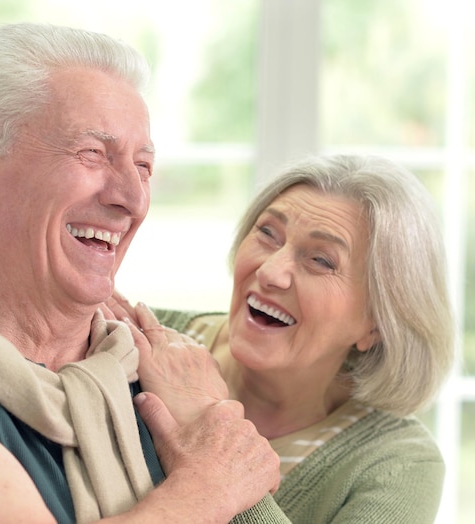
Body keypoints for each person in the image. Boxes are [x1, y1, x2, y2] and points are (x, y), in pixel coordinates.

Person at [0, 23, 288, 524]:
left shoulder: (161, 376)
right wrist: (210, 489)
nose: (130, 197)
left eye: (143, 166)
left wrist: (210, 421)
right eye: (92, 154)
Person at [112, 153, 455, 523]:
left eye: (321, 260)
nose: (271, 272)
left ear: (377, 322)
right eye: (267, 233)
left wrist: (211, 431)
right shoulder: (128, 340)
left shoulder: (397, 464)